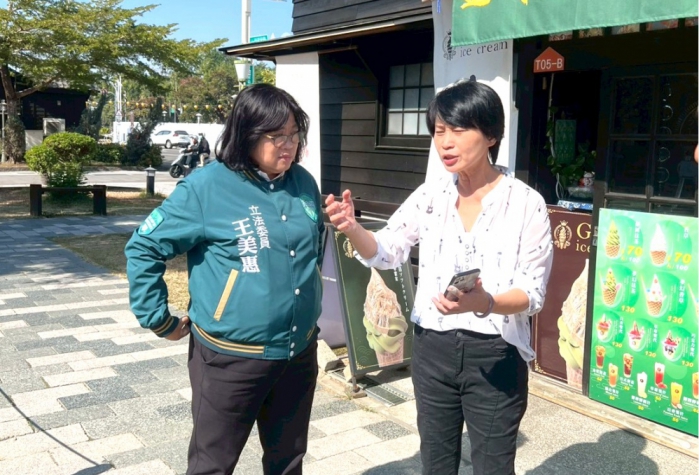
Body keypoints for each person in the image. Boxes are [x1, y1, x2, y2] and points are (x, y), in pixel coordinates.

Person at [325, 80, 554, 475]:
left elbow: (533, 294)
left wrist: (486, 302)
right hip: (432, 348)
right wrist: (353, 228)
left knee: (494, 466)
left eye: (459, 130)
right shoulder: (430, 196)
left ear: (491, 135)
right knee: (436, 461)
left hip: (495, 352)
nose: (445, 142)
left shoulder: (525, 203)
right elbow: (386, 249)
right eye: (439, 131)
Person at [125, 83, 325, 475]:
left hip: (297, 352)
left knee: (288, 462)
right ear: (247, 133)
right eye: (277, 136)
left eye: (294, 135)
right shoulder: (206, 187)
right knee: (212, 465)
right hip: (230, 358)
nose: (288, 145)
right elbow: (144, 246)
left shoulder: (303, 182)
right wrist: (159, 320)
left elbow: (311, 249)